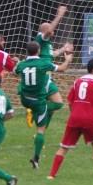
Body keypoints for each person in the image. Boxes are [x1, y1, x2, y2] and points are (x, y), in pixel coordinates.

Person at [48, 59, 93, 180]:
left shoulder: (77, 81)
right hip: (89, 119)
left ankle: (51, 175)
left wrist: (74, 113)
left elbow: (69, 102)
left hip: (75, 117)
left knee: (64, 147)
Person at [15, 40, 74, 169]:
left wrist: (17, 62)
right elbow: (63, 69)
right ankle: (36, 158)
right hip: (38, 102)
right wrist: (68, 59)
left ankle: (32, 112)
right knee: (40, 130)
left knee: (51, 106)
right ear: (39, 51)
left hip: (25, 100)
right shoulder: (43, 63)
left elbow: (15, 71)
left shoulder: (22, 65)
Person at [27, 5, 73, 125]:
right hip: (42, 76)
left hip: (47, 75)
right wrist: (59, 15)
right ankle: (35, 109)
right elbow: (48, 30)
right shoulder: (41, 38)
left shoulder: (46, 43)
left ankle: (40, 131)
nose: (53, 30)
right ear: (44, 30)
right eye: (50, 28)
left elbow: (52, 54)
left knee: (51, 108)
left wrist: (64, 49)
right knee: (57, 103)